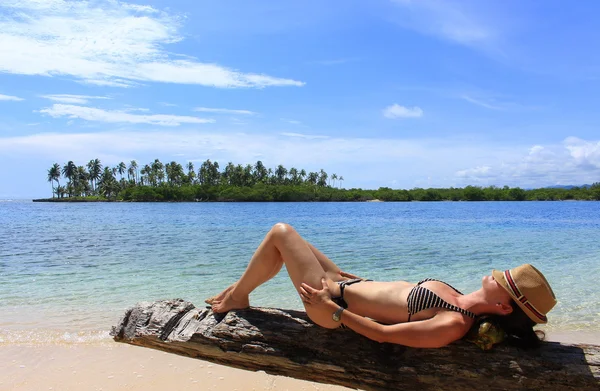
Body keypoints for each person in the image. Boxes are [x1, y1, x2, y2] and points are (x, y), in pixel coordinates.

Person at [207, 223, 557, 348]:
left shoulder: (454, 321)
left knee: (281, 233)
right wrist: (347, 277)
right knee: (290, 239)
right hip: (343, 283)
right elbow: (393, 292)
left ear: (503, 307)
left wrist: (335, 312)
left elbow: (384, 334)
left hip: (328, 306)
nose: (499, 275)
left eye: (506, 282)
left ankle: (238, 296)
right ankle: (238, 289)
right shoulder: (455, 294)